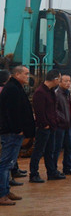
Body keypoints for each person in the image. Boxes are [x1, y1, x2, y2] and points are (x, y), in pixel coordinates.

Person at [0, 66, 35, 205]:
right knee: (5, 164)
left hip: (13, 132)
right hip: (11, 133)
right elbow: (12, 112)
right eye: (25, 74)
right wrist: (18, 129)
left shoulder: (15, 87)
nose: (28, 76)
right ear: (17, 74)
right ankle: (2, 194)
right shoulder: (12, 89)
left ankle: (6, 190)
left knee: (9, 163)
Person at [30, 69, 62, 183]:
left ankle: (51, 172)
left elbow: (52, 109)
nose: (60, 81)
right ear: (55, 79)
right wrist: (45, 124)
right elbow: (39, 111)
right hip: (44, 128)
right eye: (60, 79)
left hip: (51, 126)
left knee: (50, 151)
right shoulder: (40, 93)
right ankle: (33, 174)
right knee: (38, 151)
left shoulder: (50, 91)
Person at [52, 74, 71, 176]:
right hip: (60, 126)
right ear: (60, 82)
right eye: (65, 81)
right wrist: (62, 119)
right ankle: (53, 169)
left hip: (67, 125)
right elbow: (55, 110)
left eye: (69, 81)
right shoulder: (57, 94)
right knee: (57, 148)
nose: (68, 83)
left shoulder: (67, 93)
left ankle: (67, 168)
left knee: (69, 146)